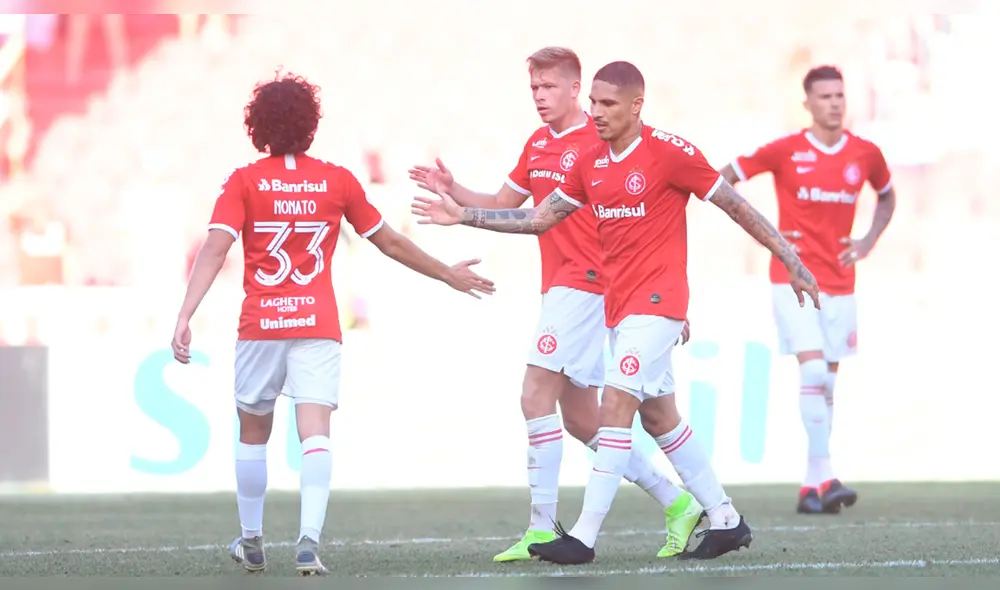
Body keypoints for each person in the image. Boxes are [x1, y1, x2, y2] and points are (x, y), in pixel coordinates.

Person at [412, 60, 821, 564]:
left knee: (613, 408)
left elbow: (735, 204)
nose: (597, 113)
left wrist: (790, 257)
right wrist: (465, 215)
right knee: (660, 416)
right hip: (619, 306)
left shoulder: (671, 153)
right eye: (594, 104)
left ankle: (581, 537)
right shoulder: (591, 163)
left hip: (659, 303)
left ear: (635, 105)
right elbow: (538, 219)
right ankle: (724, 518)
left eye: (607, 104)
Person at [170, 73, 495, 576]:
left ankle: (253, 540)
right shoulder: (336, 181)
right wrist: (446, 273)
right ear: (311, 125)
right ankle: (308, 542)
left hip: (262, 324)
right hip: (318, 323)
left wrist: (185, 313)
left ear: (257, 127)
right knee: (315, 431)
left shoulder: (243, 181)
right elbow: (389, 241)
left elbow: (216, 247)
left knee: (253, 432)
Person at [409, 47, 703, 561]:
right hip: (567, 287)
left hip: (589, 285)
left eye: (549, 88)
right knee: (584, 421)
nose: (541, 98)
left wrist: (668, 299)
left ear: (576, 89)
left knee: (534, 393)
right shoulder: (538, 144)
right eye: (533, 90)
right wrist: (454, 191)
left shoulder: (603, 140)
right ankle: (678, 501)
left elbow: (651, 217)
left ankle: (542, 526)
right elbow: (506, 205)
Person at [718, 65, 896, 515]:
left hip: (841, 283)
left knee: (828, 384)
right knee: (814, 374)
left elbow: (888, 195)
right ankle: (828, 475)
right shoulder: (786, 150)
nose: (834, 103)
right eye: (824, 96)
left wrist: (868, 240)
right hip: (792, 279)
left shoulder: (865, 154)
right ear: (808, 104)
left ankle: (811, 486)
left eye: (839, 95)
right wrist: (768, 236)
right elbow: (723, 180)